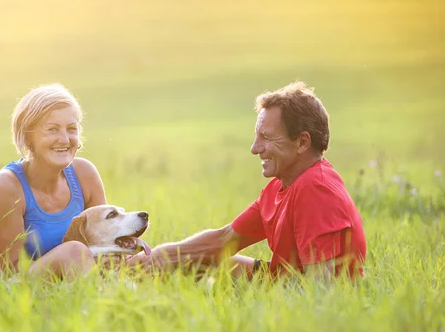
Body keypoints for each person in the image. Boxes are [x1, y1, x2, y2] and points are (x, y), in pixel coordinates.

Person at [127, 82, 367, 281]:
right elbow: (223, 240)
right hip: (284, 280)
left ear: (302, 142)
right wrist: (162, 256)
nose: (255, 149)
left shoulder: (315, 188)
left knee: (196, 263)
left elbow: (321, 292)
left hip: (297, 293)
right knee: (195, 260)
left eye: (266, 137)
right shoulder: (280, 187)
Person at [0, 83, 105, 285]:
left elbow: (104, 242)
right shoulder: (6, 187)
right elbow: (9, 275)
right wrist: (67, 259)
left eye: (71, 129)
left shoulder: (85, 174)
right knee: (75, 251)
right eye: (52, 129)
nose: (64, 139)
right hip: (10, 293)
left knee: (165, 255)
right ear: (28, 137)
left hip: (73, 282)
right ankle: (104, 305)